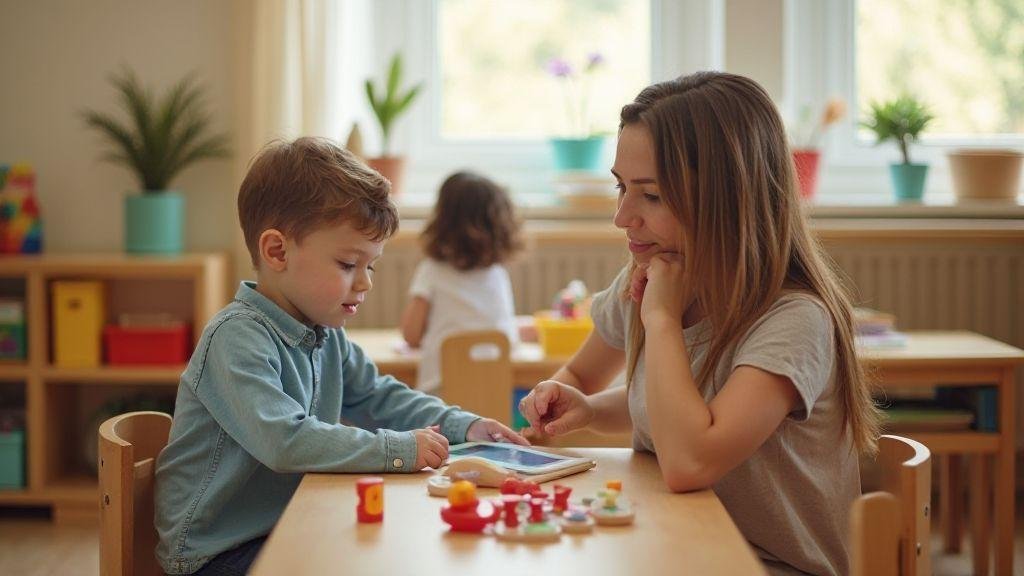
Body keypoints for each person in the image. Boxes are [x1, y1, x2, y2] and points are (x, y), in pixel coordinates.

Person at [517, 72, 880, 575]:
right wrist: (586, 406)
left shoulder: (795, 320)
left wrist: (662, 319)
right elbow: (622, 389)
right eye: (621, 187)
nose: (622, 216)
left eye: (652, 196)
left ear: (729, 197)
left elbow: (691, 460)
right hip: (679, 542)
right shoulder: (650, 277)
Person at [154, 138, 526, 576]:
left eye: (371, 266)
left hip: (284, 525)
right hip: (215, 552)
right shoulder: (235, 338)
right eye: (349, 265)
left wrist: (466, 425)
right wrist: (399, 448)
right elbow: (284, 441)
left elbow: (379, 396)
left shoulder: (324, 333)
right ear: (277, 252)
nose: (365, 283)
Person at [400, 171, 522, 392]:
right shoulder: (497, 274)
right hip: (492, 393)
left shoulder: (432, 270)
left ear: (442, 219)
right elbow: (507, 336)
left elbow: (411, 335)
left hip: (439, 395)